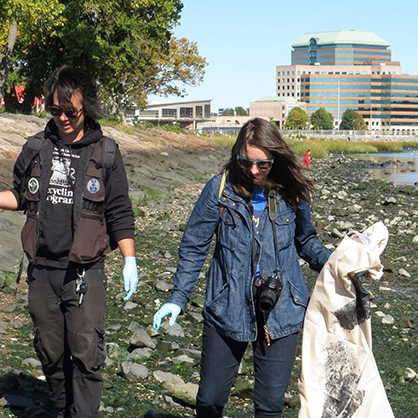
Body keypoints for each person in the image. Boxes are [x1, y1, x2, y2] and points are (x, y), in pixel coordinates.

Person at [153, 117, 331, 418]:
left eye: (263, 164)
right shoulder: (219, 189)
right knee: (209, 401)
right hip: (227, 307)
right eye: (246, 161)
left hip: (282, 310)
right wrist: (178, 297)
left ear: (276, 158)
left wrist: (337, 262)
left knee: (270, 407)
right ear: (237, 154)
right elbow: (195, 245)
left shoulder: (292, 192)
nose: (253, 171)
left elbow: (306, 241)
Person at [0, 66, 138, 418]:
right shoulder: (36, 146)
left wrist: (129, 260)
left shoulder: (106, 153)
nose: (62, 117)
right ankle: (62, 406)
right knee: (49, 349)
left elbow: (119, 210)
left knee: (87, 349)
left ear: (86, 107)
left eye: (70, 111)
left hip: (84, 271)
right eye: (55, 110)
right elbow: (20, 195)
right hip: (42, 268)